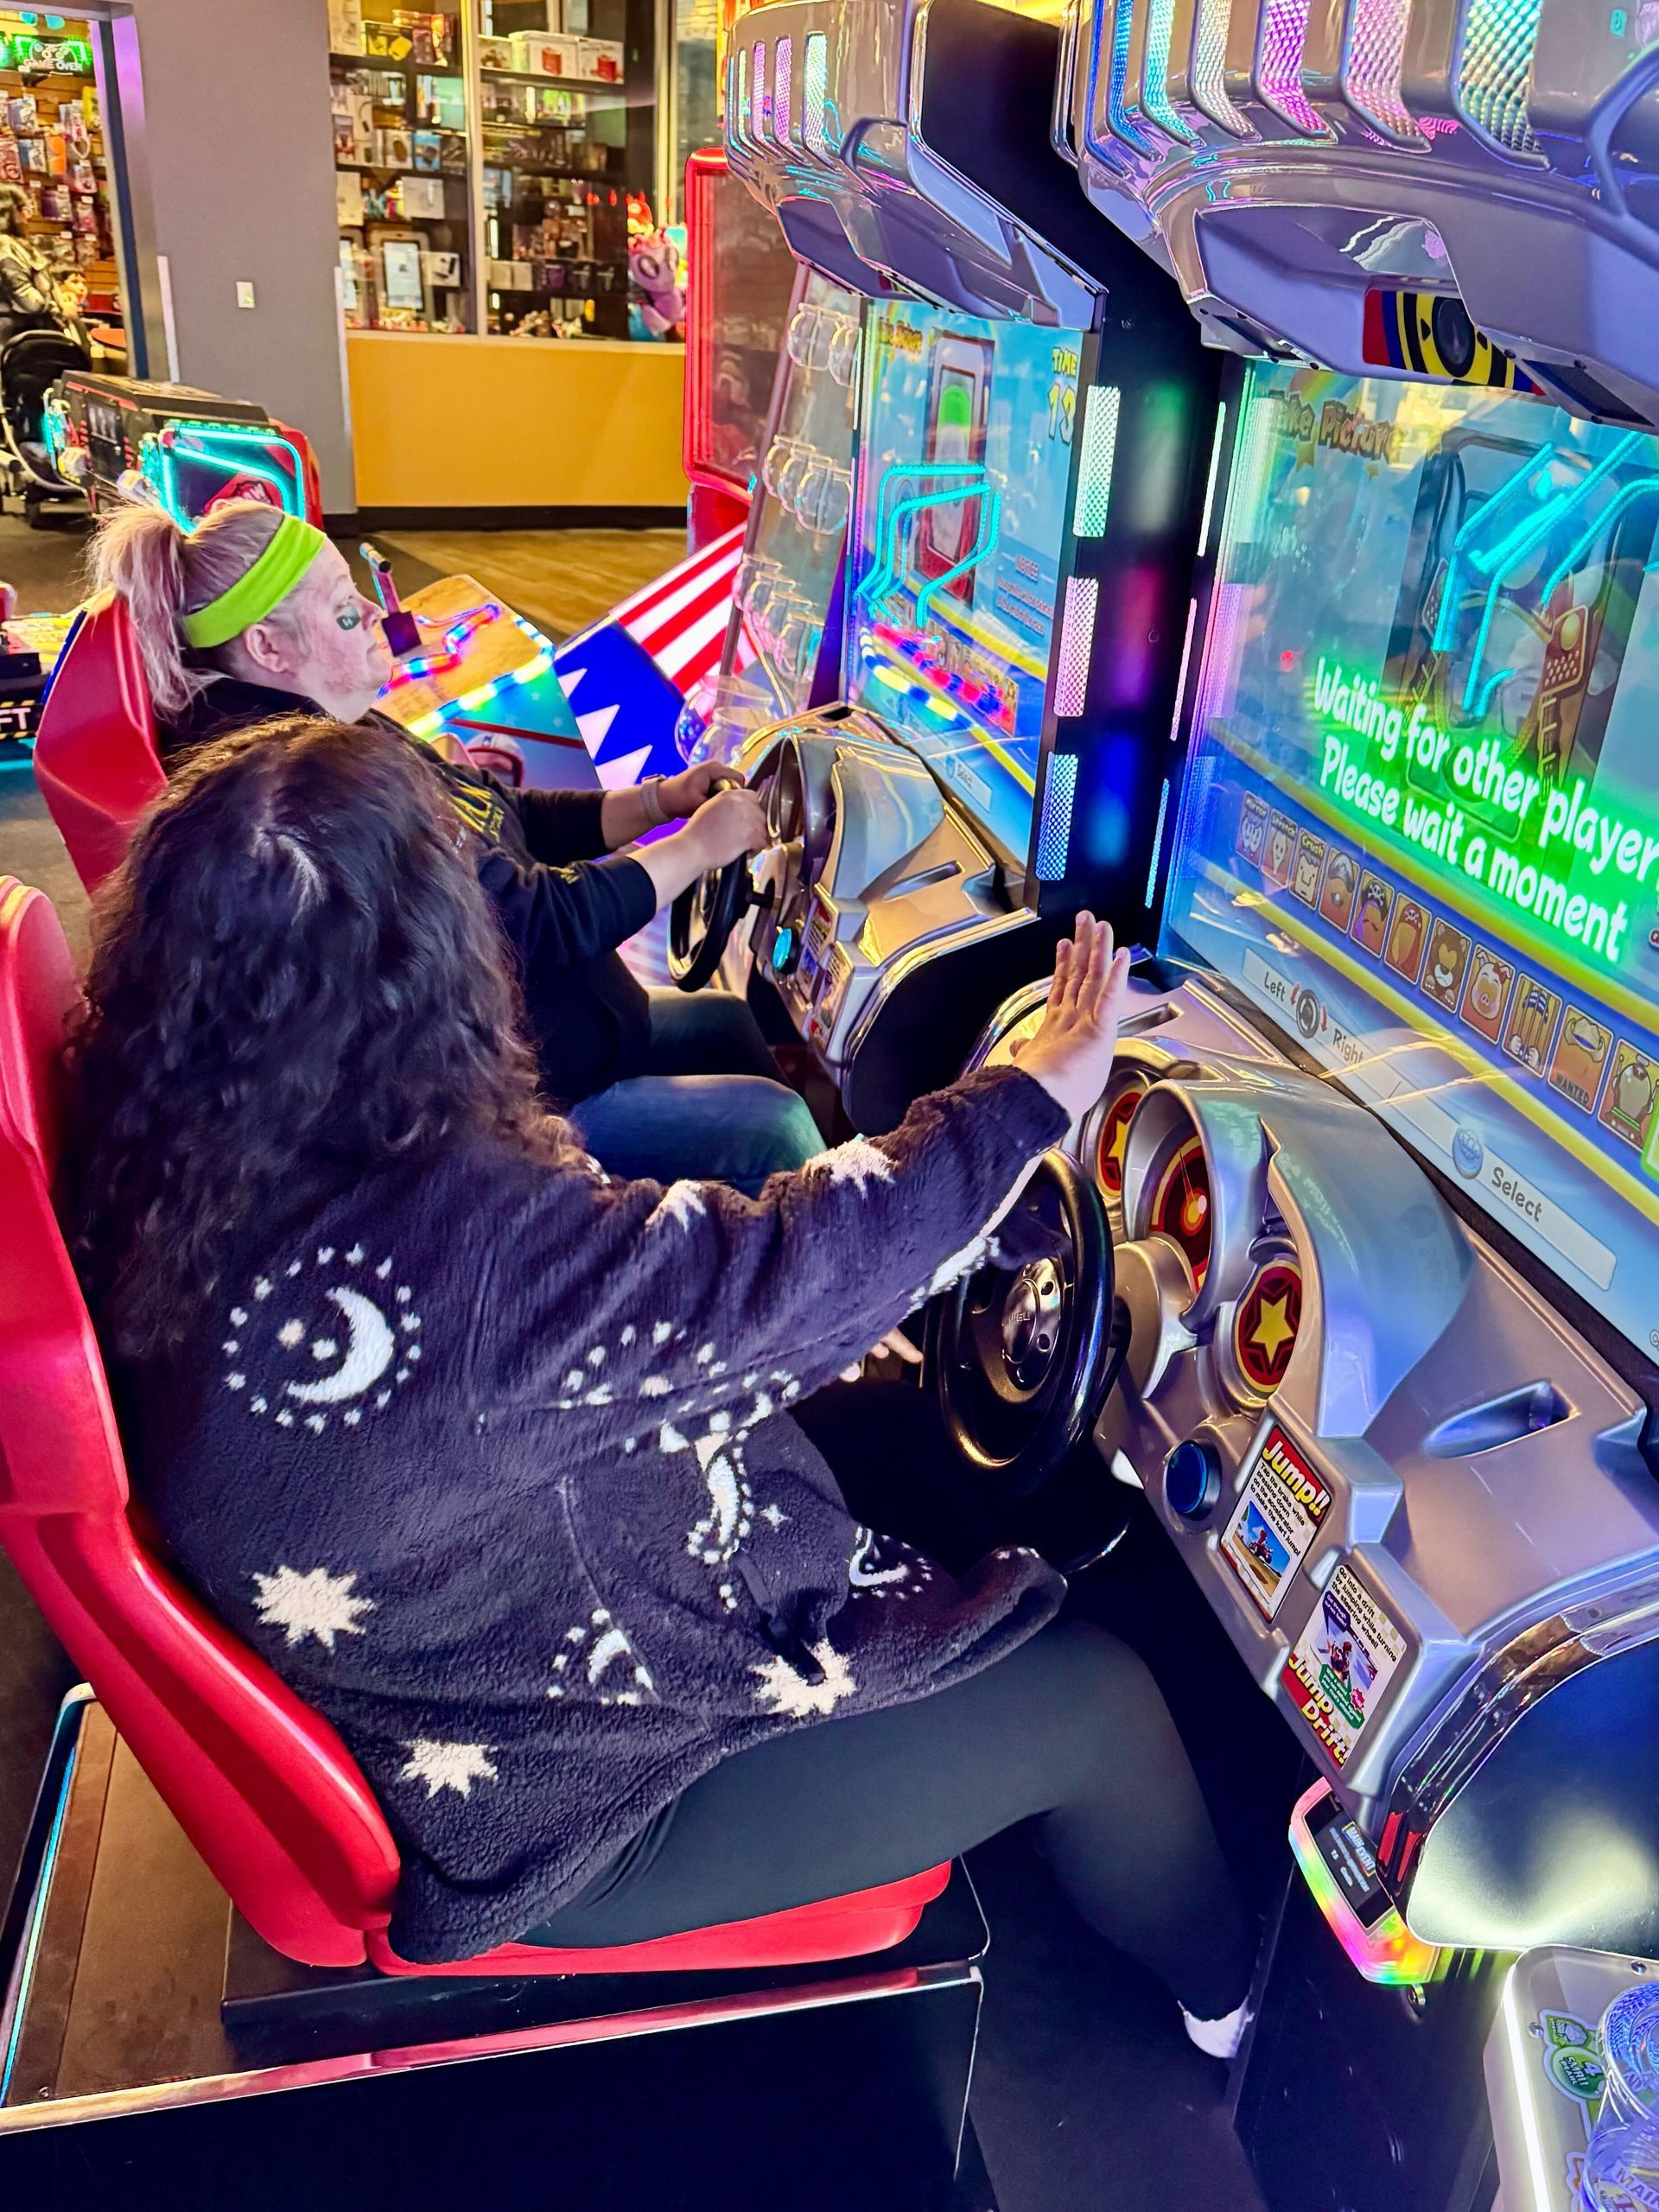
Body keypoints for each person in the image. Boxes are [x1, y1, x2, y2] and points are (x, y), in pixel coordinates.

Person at [65, 717, 1256, 2056]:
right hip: (569, 1798)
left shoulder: (171, 1149)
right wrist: (1031, 1094)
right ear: (432, 968)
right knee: (1101, 1706)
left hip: (461, 1623)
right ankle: (1232, 2004)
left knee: (926, 1431)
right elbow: (781, 1274)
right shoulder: (459, 1250)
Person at [86, 499, 819, 1194]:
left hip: (545, 1043)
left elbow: (501, 811)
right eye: (346, 611)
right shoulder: (304, 794)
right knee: (774, 1128)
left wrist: (657, 801)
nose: (376, 614)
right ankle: (806, 1297)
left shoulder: (340, 728)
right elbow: (527, 924)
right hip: (497, 1114)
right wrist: (696, 848)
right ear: (270, 647)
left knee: (729, 1021)